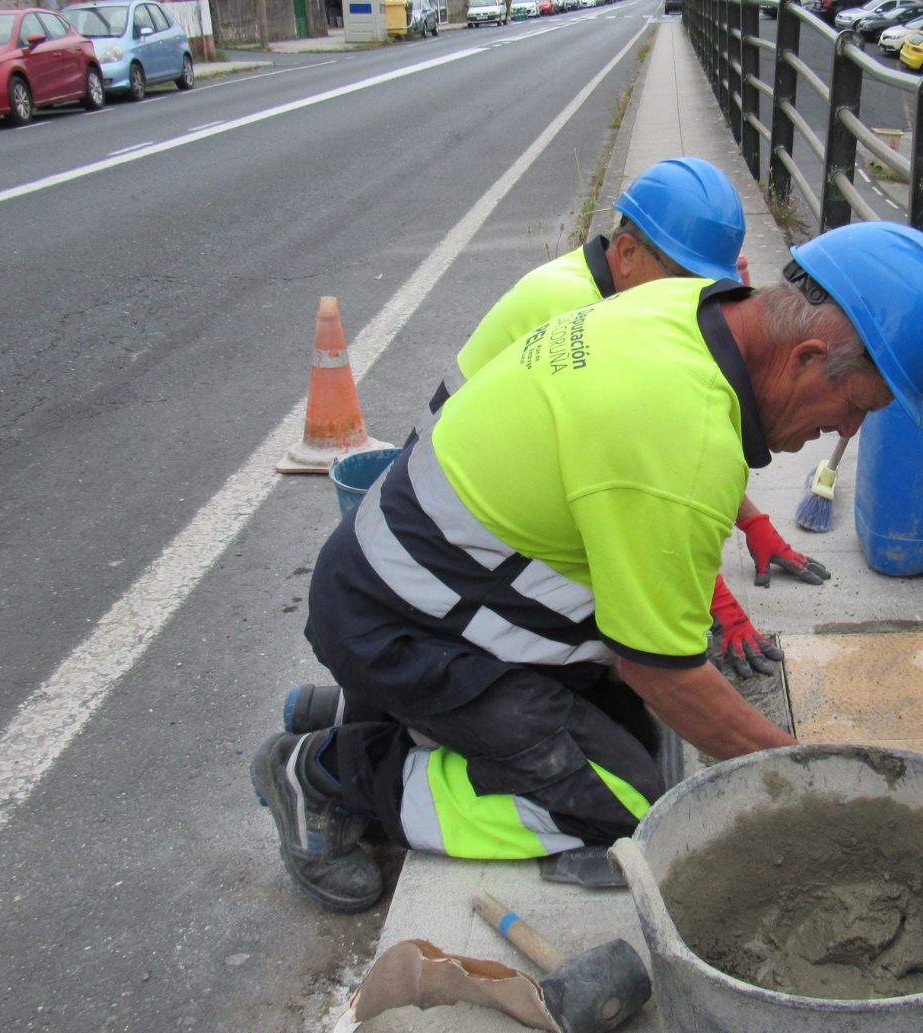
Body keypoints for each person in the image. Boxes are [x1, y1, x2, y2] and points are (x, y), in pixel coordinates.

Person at [251, 221, 923, 912]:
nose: (847, 431)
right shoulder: (681, 436)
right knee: (627, 806)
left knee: (637, 737)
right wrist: (806, 778)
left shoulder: (690, 306)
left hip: (399, 583)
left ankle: (369, 708)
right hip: (404, 625)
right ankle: (327, 775)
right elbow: (661, 670)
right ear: (807, 355)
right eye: (857, 405)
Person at [283, 160, 821, 747]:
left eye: (706, 285)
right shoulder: (574, 307)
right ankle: (351, 745)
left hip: (461, 528)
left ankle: (350, 719)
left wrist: (753, 523)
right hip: (450, 546)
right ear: (628, 251)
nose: (696, 301)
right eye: (683, 280)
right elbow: (644, 488)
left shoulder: (619, 297)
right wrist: (713, 605)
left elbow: (671, 457)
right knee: (584, 731)